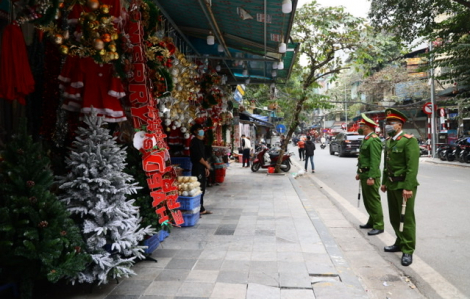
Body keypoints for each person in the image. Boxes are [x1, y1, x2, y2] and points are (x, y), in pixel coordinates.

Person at [380, 108, 420, 267]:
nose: (388, 126)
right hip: (391, 184)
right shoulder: (389, 141)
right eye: (387, 123)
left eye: (391, 123)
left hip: (404, 185)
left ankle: (408, 249)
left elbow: (412, 166)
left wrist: (408, 187)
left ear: (399, 125)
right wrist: (384, 181)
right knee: (395, 216)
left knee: (406, 218)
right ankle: (399, 241)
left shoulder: (409, 140)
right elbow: (386, 164)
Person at [355, 114, 384, 236]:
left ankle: (379, 225)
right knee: (367, 200)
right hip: (364, 173)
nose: (359, 128)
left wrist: (372, 176)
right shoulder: (366, 139)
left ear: (366, 127)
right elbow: (362, 158)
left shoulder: (374, 140)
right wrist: (358, 172)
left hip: (370, 175)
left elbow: (375, 160)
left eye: (361, 126)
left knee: (373, 200)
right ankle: (372, 221)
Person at [189, 123, 212, 215]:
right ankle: (199, 208)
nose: (202, 131)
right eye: (199, 129)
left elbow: (203, 156)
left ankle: (201, 207)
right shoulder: (194, 142)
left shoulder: (201, 142)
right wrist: (207, 165)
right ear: (195, 132)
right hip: (197, 168)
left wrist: (206, 168)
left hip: (202, 168)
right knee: (198, 188)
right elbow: (198, 157)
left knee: (202, 187)